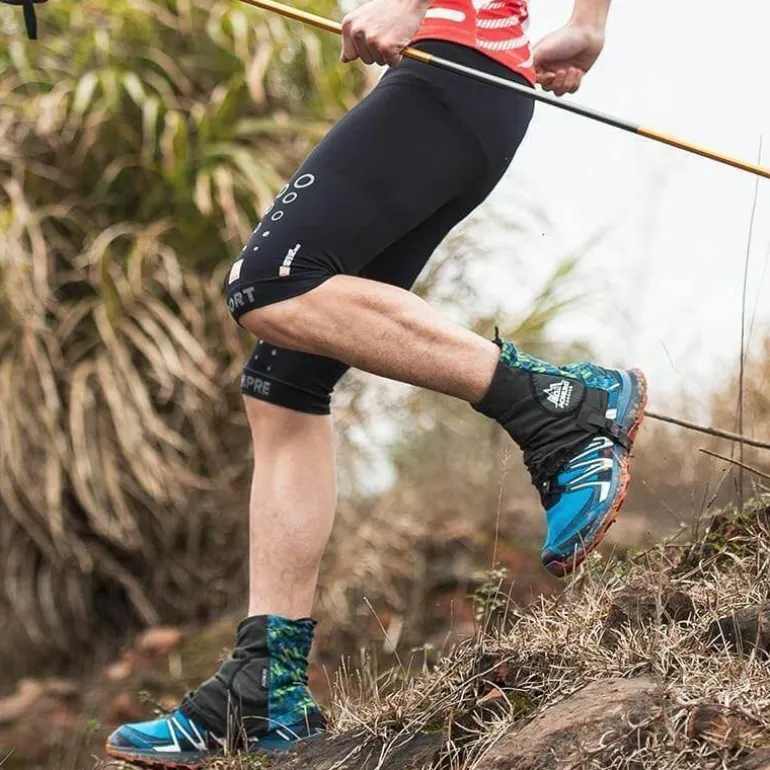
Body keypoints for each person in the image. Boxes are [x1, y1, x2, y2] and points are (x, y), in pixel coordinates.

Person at [106, 0, 646, 765]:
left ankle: (563, 407)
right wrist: (588, 24)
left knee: (269, 283)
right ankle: (266, 685)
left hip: (449, 67)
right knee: (281, 387)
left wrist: (411, 3)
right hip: (453, 80)